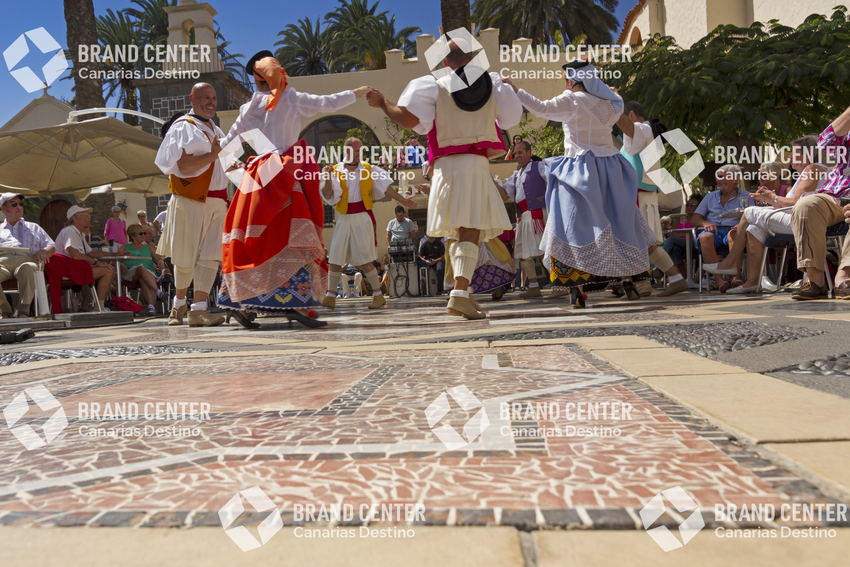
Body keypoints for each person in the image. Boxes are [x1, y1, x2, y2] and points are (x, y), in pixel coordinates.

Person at [367, 36, 523, 319]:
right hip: (475, 165)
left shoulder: (431, 85)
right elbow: (511, 119)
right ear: (472, 58)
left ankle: (462, 293)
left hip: (446, 168)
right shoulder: (493, 82)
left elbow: (407, 119)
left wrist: (382, 102)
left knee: (463, 231)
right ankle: (460, 293)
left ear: (443, 62)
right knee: (470, 230)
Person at [218, 51, 371, 326]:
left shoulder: (249, 107)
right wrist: (356, 93)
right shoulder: (289, 97)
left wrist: (240, 176)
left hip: (258, 176)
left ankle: (238, 305)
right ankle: (295, 305)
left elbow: (227, 146)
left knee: (258, 239)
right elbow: (325, 103)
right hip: (285, 173)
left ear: (256, 80)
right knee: (294, 237)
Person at [501, 61, 658, 308]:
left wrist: (516, 89)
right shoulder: (611, 103)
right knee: (616, 221)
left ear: (573, 81)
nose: (565, 84)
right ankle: (627, 279)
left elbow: (541, 108)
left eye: (566, 79)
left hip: (580, 169)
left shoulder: (572, 100)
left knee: (570, 223)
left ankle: (576, 287)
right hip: (610, 168)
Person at [704, 142, 829, 293]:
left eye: (793, 152)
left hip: (803, 221)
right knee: (753, 228)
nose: (789, 156)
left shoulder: (812, 169)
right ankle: (752, 282)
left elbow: (799, 204)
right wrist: (769, 199)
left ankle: (730, 262)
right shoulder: (808, 173)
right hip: (798, 218)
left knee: (749, 212)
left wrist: (772, 198)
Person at [154, 82, 227, 327]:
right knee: (185, 256)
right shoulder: (184, 127)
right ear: (192, 98)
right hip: (191, 199)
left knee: (210, 256)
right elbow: (182, 167)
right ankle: (178, 305)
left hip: (218, 200)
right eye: (206, 97)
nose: (211, 101)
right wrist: (214, 155)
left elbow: (218, 162)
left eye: (214, 97)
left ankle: (198, 310)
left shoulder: (215, 128)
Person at [321, 137, 416, 311]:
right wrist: (327, 177)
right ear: (347, 151)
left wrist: (404, 201)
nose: (359, 154)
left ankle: (378, 296)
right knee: (335, 257)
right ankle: (330, 296)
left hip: (362, 218)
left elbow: (387, 188)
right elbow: (327, 196)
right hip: (342, 218)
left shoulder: (369, 169)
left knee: (364, 259)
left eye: (361, 151)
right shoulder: (333, 170)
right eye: (356, 151)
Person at [616, 102, 690, 297]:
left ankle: (670, 280)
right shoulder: (637, 135)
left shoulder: (641, 130)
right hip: (638, 195)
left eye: (620, 118)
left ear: (630, 115)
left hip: (639, 195)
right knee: (639, 244)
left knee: (641, 243)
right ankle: (645, 283)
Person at [788, 106, 850, 300]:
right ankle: (815, 280)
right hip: (834, 195)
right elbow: (824, 143)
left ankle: (844, 278)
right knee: (806, 204)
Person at [494, 140, 549, 299]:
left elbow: (552, 183)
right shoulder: (516, 175)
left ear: (528, 152)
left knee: (543, 251)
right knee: (523, 254)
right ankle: (533, 286)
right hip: (524, 217)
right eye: (515, 153)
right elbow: (504, 196)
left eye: (520, 152)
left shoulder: (539, 166)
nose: (517, 155)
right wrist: (491, 181)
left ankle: (558, 282)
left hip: (540, 213)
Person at [691, 164, 750, 292]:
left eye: (721, 176)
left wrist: (741, 224)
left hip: (733, 230)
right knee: (705, 237)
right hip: (714, 231)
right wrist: (705, 223)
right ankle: (719, 281)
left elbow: (753, 216)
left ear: (734, 178)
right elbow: (695, 218)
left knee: (735, 234)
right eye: (717, 177)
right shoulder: (710, 197)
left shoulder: (747, 196)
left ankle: (736, 278)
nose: (717, 180)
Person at [0, 193, 55, 318]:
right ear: (3, 209)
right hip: (3, 262)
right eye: (14, 204)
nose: (19, 207)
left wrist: (44, 251)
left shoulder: (34, 227)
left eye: (21, 204)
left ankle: (23, 310)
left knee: (28, 268)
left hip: (27, 260)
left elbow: (52, 246)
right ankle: (5, 309)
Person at [54, 205, 115, 310]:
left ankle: (88, 307)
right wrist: (97, 263)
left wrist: (115, 254)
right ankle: (98, 307)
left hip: (73, 269)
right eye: (86, 215)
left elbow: (91, 252)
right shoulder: (70, 231)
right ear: (75, 218)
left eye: (89, 215)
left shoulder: (78, 233)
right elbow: (76, 255)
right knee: (109, 270)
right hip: (66, 272)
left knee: (96, 270)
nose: (89, 217)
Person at [119, 224, 166, 315]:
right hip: (131, 273)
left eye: (144, 233)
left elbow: (157, 257)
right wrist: (120, 263)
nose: (144, 235)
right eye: (141, 233)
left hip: (147, 273)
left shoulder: (148, 247)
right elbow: (114, 260)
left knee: (143, 277)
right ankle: (158, 291)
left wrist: (160, 261)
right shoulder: (124, 247)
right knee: (141, 268)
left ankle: (151, 306)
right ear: (132, 236)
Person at [663, 194, 703, 277]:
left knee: (670, 241)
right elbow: (670, 234)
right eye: (688, 204)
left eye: (692, 205)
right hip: (681, 246)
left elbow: (699, 233)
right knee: (675, 249)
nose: (689, 207)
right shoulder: (679, 220)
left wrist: (680, 234)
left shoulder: (701, 221)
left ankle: (661, 266)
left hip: (694, 244)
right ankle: (685, 276)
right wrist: (686, 233)